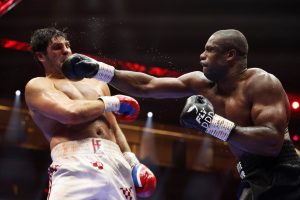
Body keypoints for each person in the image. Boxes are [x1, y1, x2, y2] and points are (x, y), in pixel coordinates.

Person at [62, 29, 300, 200]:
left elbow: (271, 142)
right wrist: (99, 70)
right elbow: (147, 85)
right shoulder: (202, 83)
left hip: (285, 174)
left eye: (209, 50)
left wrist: (212, 123)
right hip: (252, 176)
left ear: (230, 55)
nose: (201, 56)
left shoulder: (261, 83)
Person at [25, 27, 156, 200]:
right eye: (57, 47)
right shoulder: (39, 85)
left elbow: (114, 129)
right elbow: (70, 113)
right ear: (41, 56)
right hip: (75, 162)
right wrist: (113, 102)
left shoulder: (97, 83)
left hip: (116, 162)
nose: (66, 50)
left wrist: (132, 162)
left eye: (67, 45)